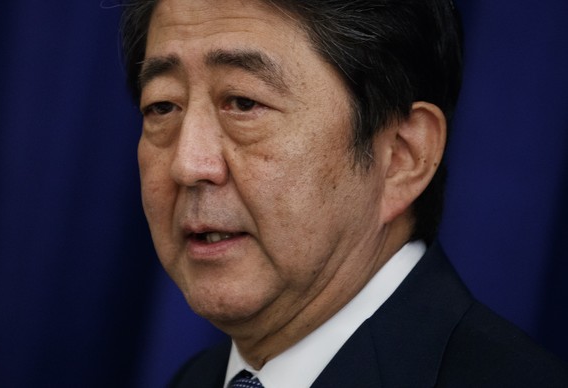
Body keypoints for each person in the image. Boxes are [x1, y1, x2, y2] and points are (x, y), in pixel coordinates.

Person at [121, 0, 568, 386]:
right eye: (162, 106)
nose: (188, 164)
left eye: (244, 103)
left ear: (401, 158)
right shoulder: (195, 380)